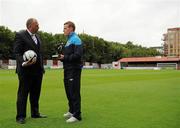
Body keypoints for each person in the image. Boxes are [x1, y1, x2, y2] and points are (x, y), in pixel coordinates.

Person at [14, 18, 47, 124]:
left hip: (38, 72)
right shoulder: (20, 35)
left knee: (35, 93)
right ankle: (20, 116)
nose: (39, 26)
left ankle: (35, 113)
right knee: (23, 94)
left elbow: (39, 54)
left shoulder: (38, 37)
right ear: (30, 26)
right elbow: (17, 52)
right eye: (37, 25)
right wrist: (24, 62)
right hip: (25, 71)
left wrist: (42, 68)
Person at [59, 21, 83, 123]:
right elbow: (67, 56)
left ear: (71, 29)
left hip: (74, 70)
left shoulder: (76, 39)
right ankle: (72, 110)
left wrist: (65, 57)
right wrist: (61, 57)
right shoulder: (68, 40)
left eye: (65, 28)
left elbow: (77, 55)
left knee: (74, 91)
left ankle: (77, 115)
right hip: (67, 69)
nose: (63, 30)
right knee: (68, 91)